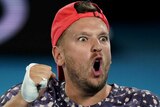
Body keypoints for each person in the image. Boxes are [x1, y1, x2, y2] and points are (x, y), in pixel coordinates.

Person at [0, 1, 160, 107]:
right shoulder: (33, 99)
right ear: (58, 55)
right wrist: (22, 99)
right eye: (83, 39)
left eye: (103, 38)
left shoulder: (141, 102)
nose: (98, 46)